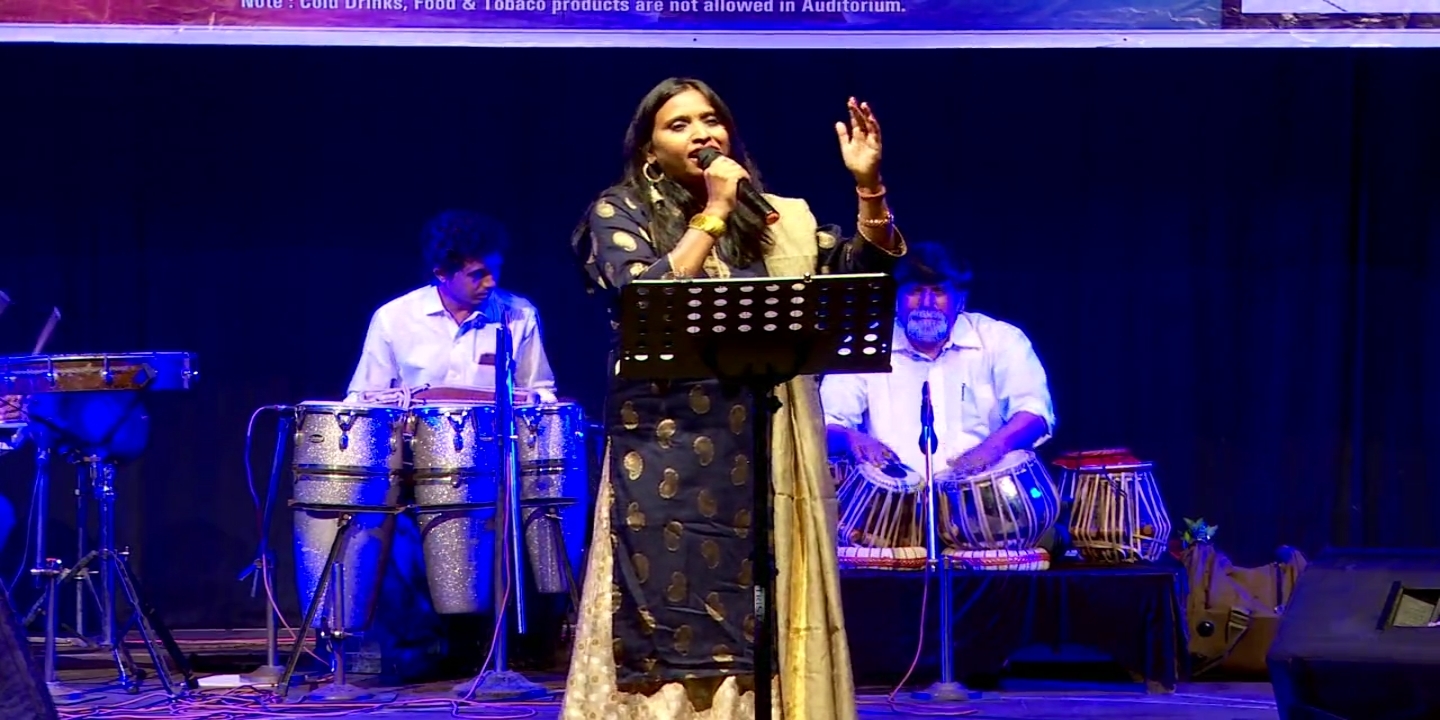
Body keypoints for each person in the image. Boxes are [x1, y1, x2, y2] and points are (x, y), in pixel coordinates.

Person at [562, 77, 906, 720]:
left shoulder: (776, 218)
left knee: (762, 600)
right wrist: (714, 211)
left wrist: (869, 187)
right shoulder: (619, 210)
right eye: (679, 124)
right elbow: (642, 297)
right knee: (668, 609)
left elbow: (853, 276)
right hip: (662, 452)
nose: (702, 133)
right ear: (649, 149)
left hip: (763, 443)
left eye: (711, 119)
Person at [822, 241, 1055, 481]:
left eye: (938, 292)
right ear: (895, 298)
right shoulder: (863, 345)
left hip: (984, 490)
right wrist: (852, 438)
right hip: (892, 497)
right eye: (915, 291)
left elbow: (1034, 413)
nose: (926, 303)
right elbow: (826, 422)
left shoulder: (1001, 339)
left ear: (961, 299)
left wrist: (992, 449)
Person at [346, 210, 557, 404]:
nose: (491, 282)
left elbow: (540, 394)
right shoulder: (393, 317)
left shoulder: (520, 315)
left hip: (494, 434)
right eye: (478, 274)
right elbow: (364, 399)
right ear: (441, 274)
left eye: (495, 270)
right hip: (411, 433)